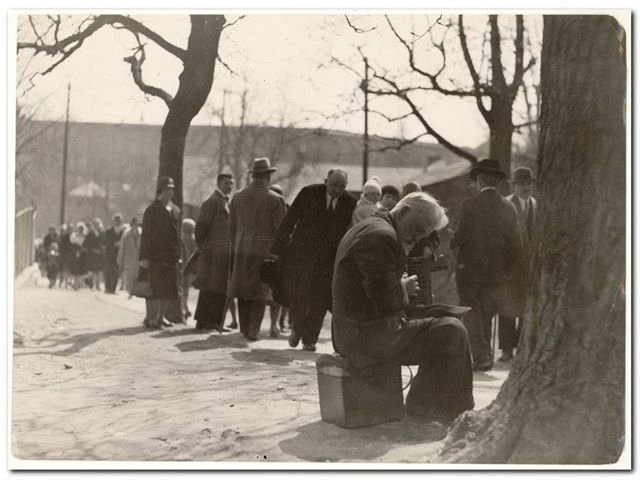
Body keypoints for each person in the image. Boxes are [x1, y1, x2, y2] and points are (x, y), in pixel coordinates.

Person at [331, 192, 474, 423]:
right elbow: (387, 300)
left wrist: (400, 288)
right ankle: (454, 411)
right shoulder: (381, 236)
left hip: (360, 330)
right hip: (366, 337)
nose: (417, 238)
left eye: (423, 234)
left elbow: (374, 291)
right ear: (403, 210)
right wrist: (403, 288)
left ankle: (422, 405)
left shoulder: (372, 226)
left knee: (440, 322)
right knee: (453, 330)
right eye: (417, 229)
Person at [271, 169, 357, 351]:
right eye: (334, 185)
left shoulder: (350, 203)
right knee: (300, 294)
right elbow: (289, 220)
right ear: (326, 181)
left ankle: (309, 339)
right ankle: (297, 327)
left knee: (321, 299)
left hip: (328, 260)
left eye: (342, 186)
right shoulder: (309, 193)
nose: (337, 190)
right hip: (302, 255)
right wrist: (277, 250)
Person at [450, 159, 522, 371]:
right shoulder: (508, 207)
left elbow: (461, 236)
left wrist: (452, 238)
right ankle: (486, 357)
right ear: (499, 182)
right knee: (487, 314)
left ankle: (481, 356)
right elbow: (516, 244)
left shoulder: (469, 205)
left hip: (469, 270)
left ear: (480, 181)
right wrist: (505, 269)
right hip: (495, 273)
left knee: (472, 313)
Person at [228, 158, 286, 341]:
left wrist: (236, 244)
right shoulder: (275, 199)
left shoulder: (237, 196)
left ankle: (245, 328)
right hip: (264, 250)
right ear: (268, 176)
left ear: (253, 175)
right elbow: (281, 230)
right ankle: (253, 329)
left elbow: (231, 227)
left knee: (243, 287)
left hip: (242, 247)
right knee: (260, 290)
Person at [498, 167, 537, 362]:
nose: (526, 187)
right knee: (507, 308)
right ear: (514, 186)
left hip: (530, 268)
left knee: (526, 308)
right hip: (510, 266)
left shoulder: (536, 205)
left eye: (528, 183)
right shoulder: (506, 205)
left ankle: (522, 348)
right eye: (521, 184)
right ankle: (506, 349)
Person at [139, 176, 182, 328]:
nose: (170, 192)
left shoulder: (175, 210)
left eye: (172, 189)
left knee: (169, 288)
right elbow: (145, 236)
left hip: (170, 255)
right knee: (154, 287)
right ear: (160, 190)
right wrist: (143, 257)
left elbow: (177, 235)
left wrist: (178, 255)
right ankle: (150, 317)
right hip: (155, 255)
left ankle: (161, 317)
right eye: (167, 189)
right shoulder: (151, 210)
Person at [193, 173, 235, 331]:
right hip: (212, 254)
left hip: (222, 253)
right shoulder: (212, 202)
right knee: (211, 288)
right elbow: (201, 227)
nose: (229, 186)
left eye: (231, 183)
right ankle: (206, 322)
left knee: (217, 287)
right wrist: (205, 247)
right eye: (226, 183)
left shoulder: (225, 202)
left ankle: (212, 322)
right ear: (218, 183)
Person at [117, 217, 141, 298]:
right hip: (129, 259)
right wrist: (120, 259)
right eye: (134, 225)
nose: (135, 226)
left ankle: (135, 292)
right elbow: (122, 248)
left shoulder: (141, 234)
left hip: (138, 259)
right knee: (129, 277)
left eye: (137, 225)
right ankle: (130, 292)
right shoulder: (126, 235)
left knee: (137, 276)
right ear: (131, 225)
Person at [103, 213, 125, 294]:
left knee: (115, 271)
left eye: (119, 220)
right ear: (114, 221)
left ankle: (113, 288)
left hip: (119, 254)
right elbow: (105, 242)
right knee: (108, 270)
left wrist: (120, 244)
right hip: (109, 253)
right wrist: (113, 244)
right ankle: (108, 288)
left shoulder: (124, 232)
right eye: (116, 220)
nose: (117, 222)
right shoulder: (109, 231)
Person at [181, 218, 197, 321]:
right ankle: (185, 308)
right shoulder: (194, 239)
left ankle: (184, 309)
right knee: (186, 289)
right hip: (190, 267)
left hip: (182, 266)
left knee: (180, 287)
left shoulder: (181, 238)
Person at [84, 218, 105, 291]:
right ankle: (92, 284)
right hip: (92, 254)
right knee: (92, 270)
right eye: (95, 224)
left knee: (99, 270)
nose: (96, 225)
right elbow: (87, 244)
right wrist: (93, 250)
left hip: (99, 254)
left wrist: (101, 250)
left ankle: (98, 285)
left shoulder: (102, 233)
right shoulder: (90, 233)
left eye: (98, 224)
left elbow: (103, 243)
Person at [69, 222, 88, 290]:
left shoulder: (85, 236)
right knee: (75, 269)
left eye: (82, 228)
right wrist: (77, 249)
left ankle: (78, 283)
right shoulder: (74, 235)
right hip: (75, 253)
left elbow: (86, 245)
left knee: (81, 269)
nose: (81, 230)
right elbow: (72, 245)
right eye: (80, 228)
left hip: (82, 255)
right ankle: (74, 283)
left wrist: (83, 249)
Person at [58, 224, 72, 288]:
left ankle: (67, 282)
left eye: (71, 229)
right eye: (69, 229)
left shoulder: (72, 236)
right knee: (63, 269)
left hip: (70, 255)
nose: (70, 230)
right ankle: (62, 282)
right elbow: (61, 247)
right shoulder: (65, 237)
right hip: (64, 255)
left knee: (69, 269)